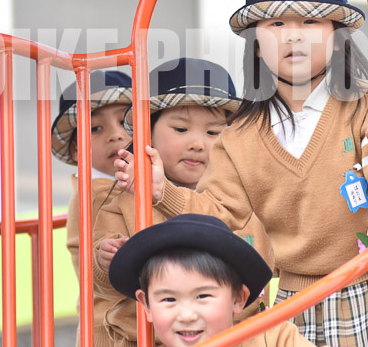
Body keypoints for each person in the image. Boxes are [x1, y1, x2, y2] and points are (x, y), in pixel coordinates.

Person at [125, 0, 368, 346]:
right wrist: (164, 191)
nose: (293, 36)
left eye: (310, 22)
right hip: (302, 298)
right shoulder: (240, 137)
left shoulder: (363, 103)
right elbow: (220, 214)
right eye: (277, 25)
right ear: (256, 44)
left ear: (337, 40)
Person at [93, 58, 274, 347]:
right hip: (149, 340)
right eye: (181, 129)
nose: (198, 144)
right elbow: (103, 285)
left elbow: (275, 258)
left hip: (237, 338)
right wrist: (104, 260)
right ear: (147, 132)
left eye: (213, 133)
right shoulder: (123, 203)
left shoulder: (241, 201)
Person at [109, 213, 316, 347]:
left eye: (202, 296)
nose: (187, 315)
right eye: (169, 299)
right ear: (146, 305)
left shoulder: (273, 339)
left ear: (238, 298)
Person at [51, 70, 133, 346]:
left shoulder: (128, 184)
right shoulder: (96, 193)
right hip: (110, 331)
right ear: (76, 149)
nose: (115, 135)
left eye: (125, 121)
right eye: (95, 128)